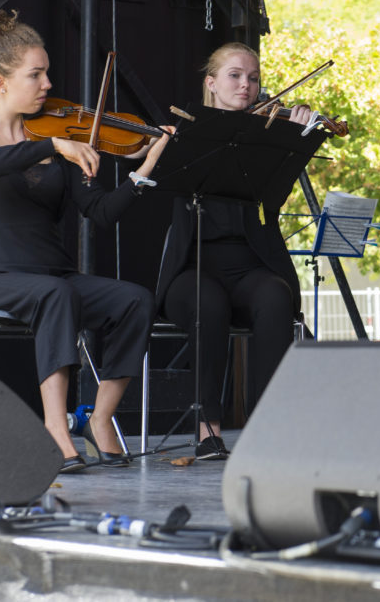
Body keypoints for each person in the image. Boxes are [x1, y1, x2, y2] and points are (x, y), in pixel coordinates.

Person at [0, 8, 172, 473]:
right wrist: (54, 147)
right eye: (37, 74)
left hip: (56, 276)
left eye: (47, 72)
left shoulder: (57, 136)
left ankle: (101, 419)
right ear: (0, 83)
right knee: (55, 294)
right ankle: (55, 426)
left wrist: (145, 168)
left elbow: (102, 213)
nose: (49, 84)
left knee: (134, 300)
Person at [155, 42, 309, 459]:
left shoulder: (265, 138)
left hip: (249, 266)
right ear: (211, 83)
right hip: (194, 269)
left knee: (276, 295)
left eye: (254, 77)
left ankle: (267, 423)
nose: (247, 85)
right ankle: (209, 430)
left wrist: (290, 143)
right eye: (236, 76)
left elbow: (271, 203)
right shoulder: (189, 133)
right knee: (209, 304)